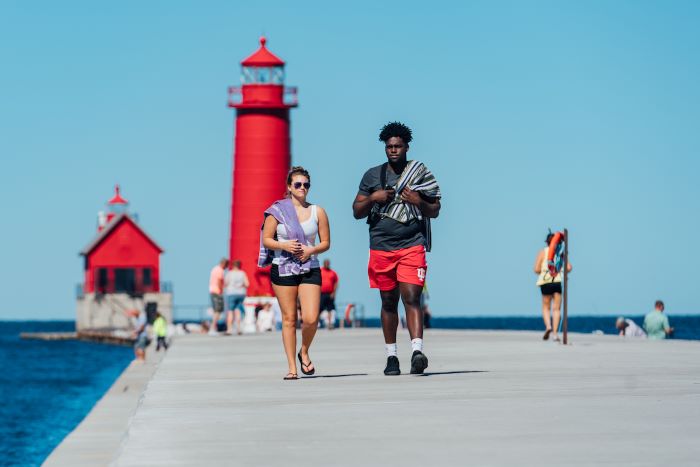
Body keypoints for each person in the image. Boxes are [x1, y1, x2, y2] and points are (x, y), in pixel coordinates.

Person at [352, 122, 441, 376]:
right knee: (388, 301)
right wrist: (373, 198)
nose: (393, 150)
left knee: (412, 297)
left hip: (412, 245)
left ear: (406, 147)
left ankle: (416, 352)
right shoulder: (372, 176)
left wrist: (419, 201)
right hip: (381, 247)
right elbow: (356, 212)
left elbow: (435, 210)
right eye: (389, 146)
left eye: (398, 146)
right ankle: (392, 357)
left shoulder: (420, 174)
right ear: (385, 148)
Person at [259, 166, 331, 380]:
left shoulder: (318, 211)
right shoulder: (277, 211)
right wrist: (285, 246)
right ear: (289, 187)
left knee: (310, 318)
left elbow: (326, 242)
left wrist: (311, 249)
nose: (302, 188)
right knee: (289, 318)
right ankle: (292, 368)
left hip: (310, 266)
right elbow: (267, 239)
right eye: (297, 184)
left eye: (306, 184)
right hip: (283, 267)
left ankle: (304, 351)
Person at [534, 232, 572, 342]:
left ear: (547, 242)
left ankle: (548, 327)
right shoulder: (560, 252)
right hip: (557, 281)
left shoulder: (542, 252)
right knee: (557, 309)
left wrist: (544, 270)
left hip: (545, 281)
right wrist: (561, 269)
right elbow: (568, 268)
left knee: (546, 307)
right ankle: (555, 334)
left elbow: (536, 269)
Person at [224, 259, 249, 335]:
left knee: (230, 311)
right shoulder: (242, 273)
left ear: (233, 266)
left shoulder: (229, 273)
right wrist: (240, 285)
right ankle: (238, 329)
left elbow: (225, 283)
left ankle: (229, 330)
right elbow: (247, 284)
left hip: (231, 293)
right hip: (241, 293)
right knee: (238, 311)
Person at [208, 258, 229, 335]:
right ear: (224, 264)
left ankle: (213, 328)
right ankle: (212, 328)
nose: (226, 268)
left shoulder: (214, 269)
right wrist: (221, 290)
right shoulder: (220, 270)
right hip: (217, 292)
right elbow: (219, 281)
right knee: (218, 310)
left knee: (216, 311)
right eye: (226, 266)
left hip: (212, 291)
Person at [319, 259, 339, 329]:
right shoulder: (320, 271)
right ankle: (316, 323)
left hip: (330, 293)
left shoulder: (333, 273)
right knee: (319, 308)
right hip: (321, 293)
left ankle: (330, 324)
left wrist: (334, 293)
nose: (327, 264)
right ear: (323, 263)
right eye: (326, 263)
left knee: (330, 309)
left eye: (328, 263)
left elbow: (336, 283)